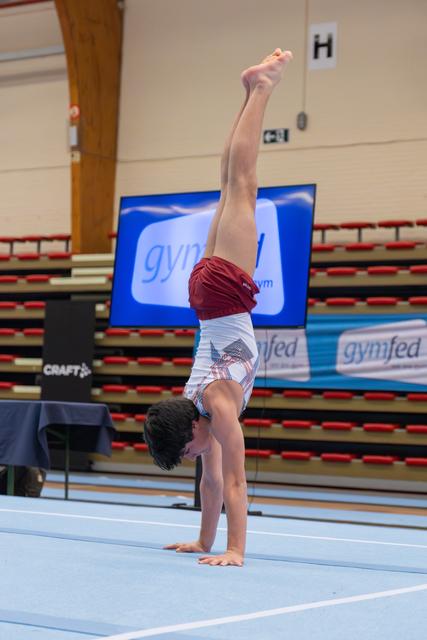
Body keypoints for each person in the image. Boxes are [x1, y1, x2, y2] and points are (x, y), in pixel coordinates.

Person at [144, 48, 293, 567]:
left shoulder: (218, 404)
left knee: (244, 187)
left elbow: (233, 479)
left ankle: (264, 88)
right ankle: (250, 90)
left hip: (225, 294)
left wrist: (234, 550)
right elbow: (209, 486)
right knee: (230, 186)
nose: (194, 456)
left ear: (192, 429)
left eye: (186, 450)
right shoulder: (198, 414)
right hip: (205, 296)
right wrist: (203, 543)